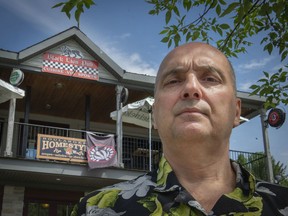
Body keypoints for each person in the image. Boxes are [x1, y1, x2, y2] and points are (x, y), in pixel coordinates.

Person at [71, 42, 288, 216]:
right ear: (154, 115)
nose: (191, 88)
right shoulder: (94, 209)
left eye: (210, 78)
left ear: (235, 111)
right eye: (173, 81)